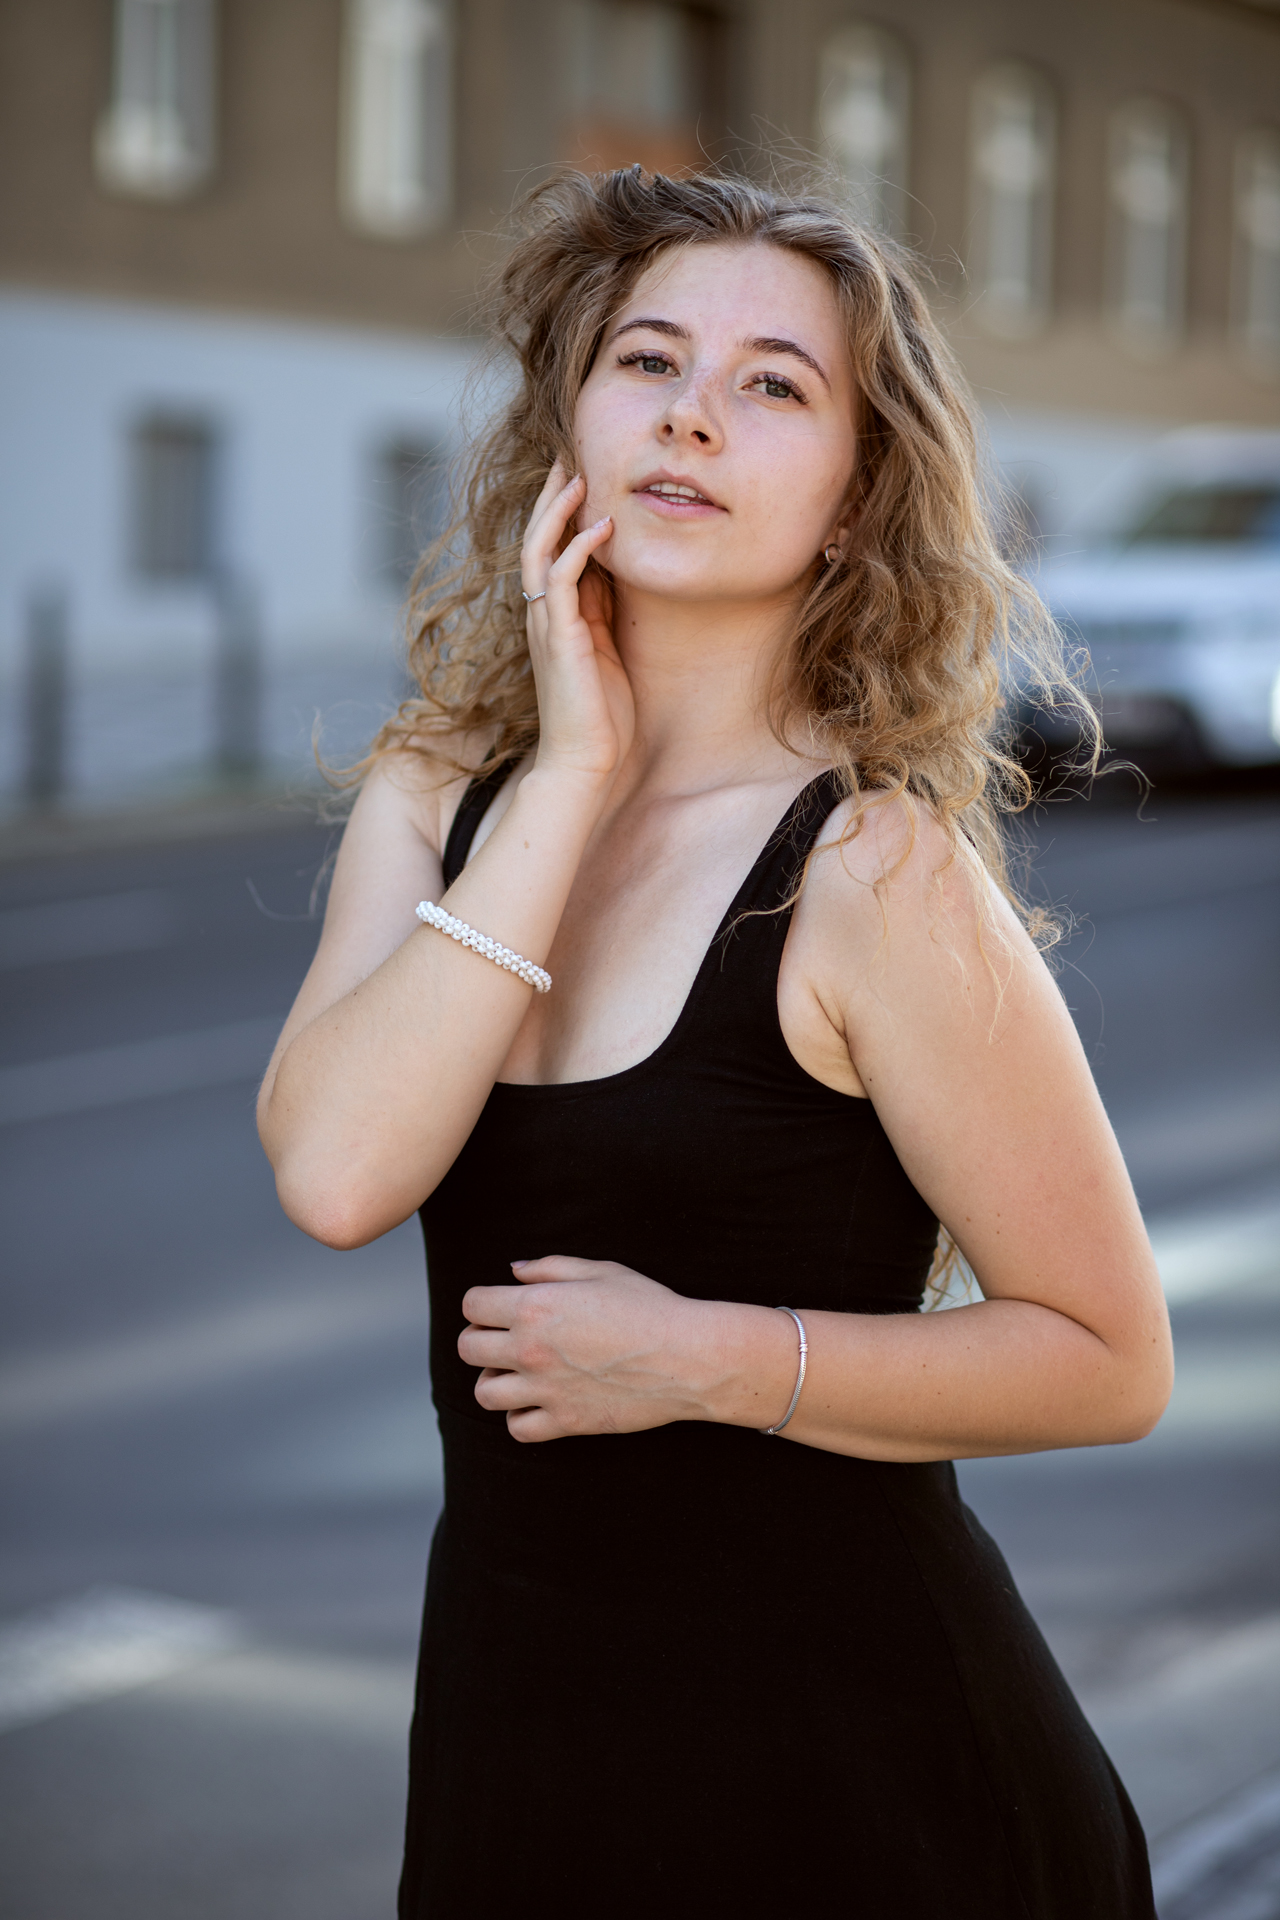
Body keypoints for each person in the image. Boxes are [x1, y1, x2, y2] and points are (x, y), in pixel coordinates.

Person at [257, 168, 1173, 1918]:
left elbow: (1111, 1360)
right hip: (523, 1754)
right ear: (572, 425)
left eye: (774, 385)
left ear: (853, 498)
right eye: (649, 360)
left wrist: (707, 1362)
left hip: (873, 1785)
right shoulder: (437, 799)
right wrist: (576, 776)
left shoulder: (873, 870)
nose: (692, 413)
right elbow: (339, 1173)